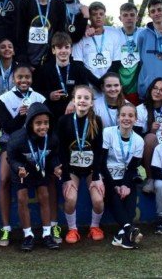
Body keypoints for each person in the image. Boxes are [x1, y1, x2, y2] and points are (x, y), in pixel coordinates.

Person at [0, 64, 47, 247]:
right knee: (4, 179)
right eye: (20, 77)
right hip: (10, 144)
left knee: (45, 178)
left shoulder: (39, 97)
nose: (24, 81)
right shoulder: (4, 99)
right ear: (13, 79)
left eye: (27, 77)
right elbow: (7, 127)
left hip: (35, 145)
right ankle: (6, 227)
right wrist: (21, 115)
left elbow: (44, 125)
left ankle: (49, 227)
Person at [7, 103, 62, 252]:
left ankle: (46, 234)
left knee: (44, 195)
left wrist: (56, 167)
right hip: (21, 170)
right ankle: (28, 235)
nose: (43, 127)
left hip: (40, 169)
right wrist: (19, 168)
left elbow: (53, 157)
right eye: (38, 123)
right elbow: (11, 158)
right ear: (30, 123)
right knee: (22, 198)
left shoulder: (52, 138)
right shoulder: (17, 138)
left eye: (46, 123)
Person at [56, 85, 105, 244]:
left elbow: (98, 151)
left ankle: (94, 227)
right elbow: (61, 150)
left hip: (91, 169)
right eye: (79, 98)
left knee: (98, 200)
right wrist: (66, 177)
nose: (82, 101)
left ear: (92, 102)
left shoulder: (96, 121)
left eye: (86, 98)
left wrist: (96, 176)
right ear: (73, 101)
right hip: (72, 170)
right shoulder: (63, 121)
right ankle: (73, 229)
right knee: (70, 198)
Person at [16, 0, 83, 68]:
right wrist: (24, 61)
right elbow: (20, 33)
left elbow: (59, 34)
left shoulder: (59, 5)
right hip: (27, 61)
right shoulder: (25, 2)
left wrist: (52, 61)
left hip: (49, 61)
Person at [101, 103, 145, 249]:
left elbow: (132, 167)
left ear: (136, 119)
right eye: (123, 115)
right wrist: (115, 186)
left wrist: (125, 185)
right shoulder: (108, 133)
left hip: (125, 175)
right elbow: (101, 162)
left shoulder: (139, 140)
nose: (127, 118)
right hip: (107, 175)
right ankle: (128, 228)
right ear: (118, 117)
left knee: (130, 195)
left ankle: (123, 235)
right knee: (113, 193)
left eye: (131, 115)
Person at [34, 31, 100, 120]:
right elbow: (36, 92)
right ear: (53, 50)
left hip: (74, 113)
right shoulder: (44, 70)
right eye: (59, 47)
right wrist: (49, 95)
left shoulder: (79, 68)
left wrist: (73, 101)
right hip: (52, 115)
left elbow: (85, 89)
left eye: (67, 47)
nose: (63, 51)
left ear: (71, 50)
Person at [71, 1, 120, 79]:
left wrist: (105, 81)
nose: (98, 17)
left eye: (101, 14)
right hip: (89, 85)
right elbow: (78, 64)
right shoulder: (82, 36)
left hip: (109, 84)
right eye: (94, 14)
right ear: (90, 17)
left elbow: (116, 62)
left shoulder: (114, 34)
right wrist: (97, 83)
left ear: (105, 16)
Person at [114, 3, 144, 104]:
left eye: (132, 15)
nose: (129, 18)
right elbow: (96, 28)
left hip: (137, 85)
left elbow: (161, 28)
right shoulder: (113, 33)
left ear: (137, 17)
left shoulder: (144, 32)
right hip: (118, 86)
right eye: (125, 15)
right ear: (120, 18)